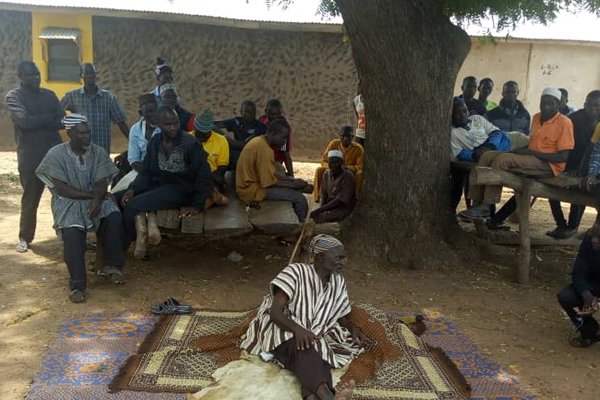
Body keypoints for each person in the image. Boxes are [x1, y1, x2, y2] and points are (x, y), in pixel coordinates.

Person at [240, 234, 368, 400]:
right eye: (338, 257)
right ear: (320, 258)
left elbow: (339, 314)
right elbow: (275, 313)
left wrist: (352, 328)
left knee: (316, 354)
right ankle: (329, 397)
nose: (343, 262)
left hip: (311, 334)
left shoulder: (338, 282)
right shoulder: (296, 272)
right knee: (306, 348)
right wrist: (298, 330)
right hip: (282, 330)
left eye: (344, 257)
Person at [35, 114, 125, 303]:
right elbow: (62, 189)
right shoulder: (56, 154)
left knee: (114, 215)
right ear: (69, 133)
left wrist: (98, 199)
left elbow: (102, 182)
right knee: (72, 232)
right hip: (67, 201)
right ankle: (77, 285)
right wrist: (93, 197)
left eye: (88, 133)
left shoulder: (98, 152)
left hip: (95, 198)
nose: (87, 137)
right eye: (82, 133)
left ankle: (112, 266)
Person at [459, 87, 574, 219]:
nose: (545, 107)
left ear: (558, 105)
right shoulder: (536, 118)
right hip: (531, 158)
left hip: (549, 165)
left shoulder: (565, 123)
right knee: (487, 156)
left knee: (502, 160)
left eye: (550, 104)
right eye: (543, 103)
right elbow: (534, 143)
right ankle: (476, 203)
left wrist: (530, 153)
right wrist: (519, 150)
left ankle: (487, 205)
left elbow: (562, 157)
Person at [117, 106, 213, 251]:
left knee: (133, 205)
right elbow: (146, 172)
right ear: (159, 124)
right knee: (118, 197)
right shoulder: (156, 142)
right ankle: (114, 238)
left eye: (175, 123)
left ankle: (121, 248)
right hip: (161, 185)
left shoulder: (190, 144)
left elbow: (204, 176)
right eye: (168, 124)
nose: (173, 127)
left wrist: (196, 205)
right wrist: (133, 189)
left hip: (182, 190)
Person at [6, 61, 65, 253]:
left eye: (37, 74)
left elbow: (62, 120)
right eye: (31, 75)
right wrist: (49, 118)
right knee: (31, 198)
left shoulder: (49, 95)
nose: (36, 78)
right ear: (21, 76)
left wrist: (38, 121)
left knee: (62, 196)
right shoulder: (14, 96)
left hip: (54, 155)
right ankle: (25, 238)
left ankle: (66, 233)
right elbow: (24, 121)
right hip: (30, 157)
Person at [449, 97, 520, 211]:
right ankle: (485, 210)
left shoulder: (477, 119)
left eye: (464, 111)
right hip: (486, 153)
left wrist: (490, 147)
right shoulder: (454, 133)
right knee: (490, 169)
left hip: (506, 140)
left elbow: (496, 132)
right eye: (457, 113)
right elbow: (460, 153)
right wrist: (474, 155)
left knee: (529, 143)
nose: (462, 115)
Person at [547, 90, 600, 238]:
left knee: (582, 190)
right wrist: (570, 167)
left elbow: (593, 152)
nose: (593, 108)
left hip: (592, 168)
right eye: (590, 104)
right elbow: (563, 145)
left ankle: (574, 226)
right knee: (551, 187)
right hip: (569, 163)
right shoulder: (574, 119)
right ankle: (561, 224)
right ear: (584, 104)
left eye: (597, 105)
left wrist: (586, 171)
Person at [236, 120, 310, 221]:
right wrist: (293, 185)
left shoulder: (260, 141)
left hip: (249, 186)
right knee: (299, 199)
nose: (285, 141)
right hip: (250, 191)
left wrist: (290, 180)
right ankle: (300, 226)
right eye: (283, 137)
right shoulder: (265, 150)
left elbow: (270, 172)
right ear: (273, 133)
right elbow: (268, 182)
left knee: (282, 172)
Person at [61, 63, 129, 154]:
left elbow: (121, 122)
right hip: (81, 148)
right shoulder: (72, 96)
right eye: (87, 73)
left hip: (102, 148)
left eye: (93, 73)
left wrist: (133, 141)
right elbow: (58, 113)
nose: (91, 76)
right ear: (81, 75)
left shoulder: (108, 97)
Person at [557, 220, 600, 348]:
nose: (595, 241)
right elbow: (578, 273)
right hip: (592, 283)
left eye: (599, 238)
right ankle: (591, 332)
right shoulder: (588, 240)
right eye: (594, 236)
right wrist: (586, 295)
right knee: (566, 297)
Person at [111, 94, 161, 193]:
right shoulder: (136, 129)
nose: (153, 115)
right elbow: (134, 161)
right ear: (141, 113)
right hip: (140, 172)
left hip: (162, 173)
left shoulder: (165, 127)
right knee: (115, 194)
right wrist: (147, 174)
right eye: (148, 112)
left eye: (155, 111)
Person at [192, 107, 230, 208]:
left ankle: (211, 196)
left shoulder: (221, 141)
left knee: (215, 181)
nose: (200, 136)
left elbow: (221, 171)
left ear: (211, 130)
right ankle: (214, 197)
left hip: (212, 179)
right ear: (194, 127)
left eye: (204, 133)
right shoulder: (187, 139)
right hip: (193, 178)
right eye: (198, 132)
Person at [313, 126, 363, 202]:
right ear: (340, 136)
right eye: (343, 136)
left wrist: (347, 168)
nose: (345, 138)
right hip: (333, 169)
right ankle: (318, 197)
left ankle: (357, 197)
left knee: (360, 174)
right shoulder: (333, 144)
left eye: (348, 136)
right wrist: (331, 167)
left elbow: (360, 166)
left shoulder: (358, 148)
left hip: (349, 172)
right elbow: (323, 161)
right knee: (319, 170)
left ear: (353, 137)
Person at [215, 100, 267, 170]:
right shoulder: (237, 121)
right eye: (248, 112)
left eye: (253, 111)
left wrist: (226, 141)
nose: (251, 114)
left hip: (251, 157)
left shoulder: (260, 127)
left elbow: (245, 145)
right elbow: (220, 124)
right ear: (241, 112)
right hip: (237, 152)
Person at [310, 151, 357, 223]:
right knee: (317, 217)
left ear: (341, 163)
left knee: (324, 217)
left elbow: (340, 200)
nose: (333, 165)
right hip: (329, 208)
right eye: (331, 163)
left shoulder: (348, 177)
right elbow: (324, 196)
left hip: (343, 209)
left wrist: (319, 210)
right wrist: (320, 211)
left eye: (336, 163)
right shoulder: (326, 174)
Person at [259, 99, 294, 177]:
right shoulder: (260, 124)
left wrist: (292, 176)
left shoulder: (283, 128)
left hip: (275, 162)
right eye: (272, 114)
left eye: (278, 114)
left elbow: (285, 153)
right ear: (266, 112)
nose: (275, 117)